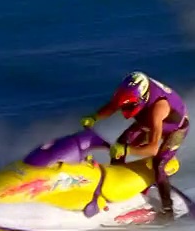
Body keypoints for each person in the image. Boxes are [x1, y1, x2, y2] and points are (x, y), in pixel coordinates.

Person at [80, 71, 189, 223]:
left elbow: (153, 149)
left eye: (130, 106)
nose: (126, 110)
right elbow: (113, 106)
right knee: (121, 142)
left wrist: (127, 150)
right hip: (147, 121)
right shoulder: (130, 93)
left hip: (174, 129)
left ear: (142, 99)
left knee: (159, 163)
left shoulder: (158, 109)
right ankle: (115, 185)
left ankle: (168, 210)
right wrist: (94, 117)